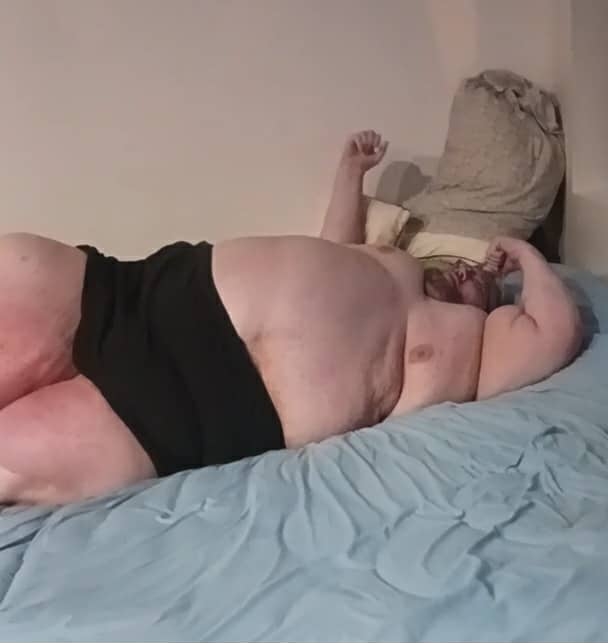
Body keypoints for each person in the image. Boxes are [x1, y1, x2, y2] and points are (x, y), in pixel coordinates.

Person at [0, 131, 582, 506]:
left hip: (186, 412)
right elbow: (334, 250)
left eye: (482, 278)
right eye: (465, 264)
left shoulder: (471, 348)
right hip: (145, 293)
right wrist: (351, 175)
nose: (466, 270)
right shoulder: (396, 265)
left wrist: (526, 255)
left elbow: (556, 330)